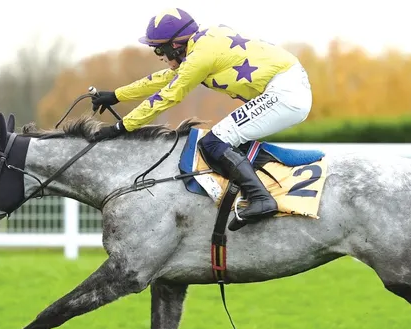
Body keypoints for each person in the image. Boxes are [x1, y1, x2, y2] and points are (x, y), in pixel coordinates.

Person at [90, 8, 313, 225]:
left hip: (285, 93)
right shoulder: (202, 43)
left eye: (159, 50)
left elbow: (168, 96)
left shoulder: (201, 56)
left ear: (175, 45)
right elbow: (164, 78)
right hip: (287, 86)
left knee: (213, 142)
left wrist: (121, 127)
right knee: (222, 142)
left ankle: (261, 199)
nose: (160, 57)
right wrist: (117, 95)